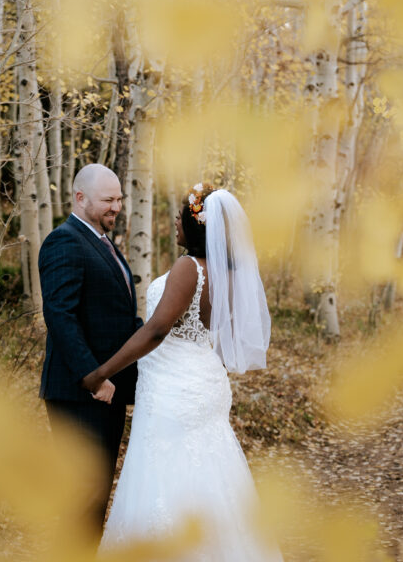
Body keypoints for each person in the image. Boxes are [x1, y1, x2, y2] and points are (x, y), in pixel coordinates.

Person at [81, 183, 282, 561]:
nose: (174, 222)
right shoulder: (224, 273)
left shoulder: (188, 267)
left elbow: (157, 329)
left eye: (180, 217)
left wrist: (101, 372)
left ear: (197, 226)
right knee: (208, 475)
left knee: (166, 479)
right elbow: (217, 334)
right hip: (202, 378)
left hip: (174, 390)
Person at [38, 163, 139, 535]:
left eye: (120, 199)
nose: (117, 207)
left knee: (93, 499)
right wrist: (93, 378)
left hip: (104, 393)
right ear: (80, 198)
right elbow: (60, 315)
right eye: (109, 200)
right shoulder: (64, 241)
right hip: (80, 393)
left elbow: (119, 317)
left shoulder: (101, 242)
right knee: (82, 498)